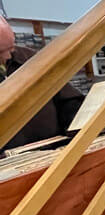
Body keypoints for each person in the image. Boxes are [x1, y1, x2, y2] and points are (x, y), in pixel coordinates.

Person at [0, 15, 83, 151]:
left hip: (54, 151)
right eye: (0, 52)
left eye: (11, 48)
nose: (8, 56)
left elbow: (68, 101)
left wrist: (82, 122)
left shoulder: (32, 60)